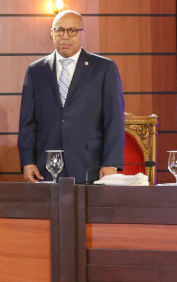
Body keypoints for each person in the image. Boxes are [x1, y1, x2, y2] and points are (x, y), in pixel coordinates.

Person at [18, 9, 126, 183]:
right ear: (52, 33)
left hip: (91, 165)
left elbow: (114, 120)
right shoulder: (35, 70)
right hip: (46, 167)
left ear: (83, 33)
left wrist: (111, 163)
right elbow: (27, 123)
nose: (65, 36)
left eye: (72, 31)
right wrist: (27, 161)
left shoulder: (103, 68)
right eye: (60, 30)